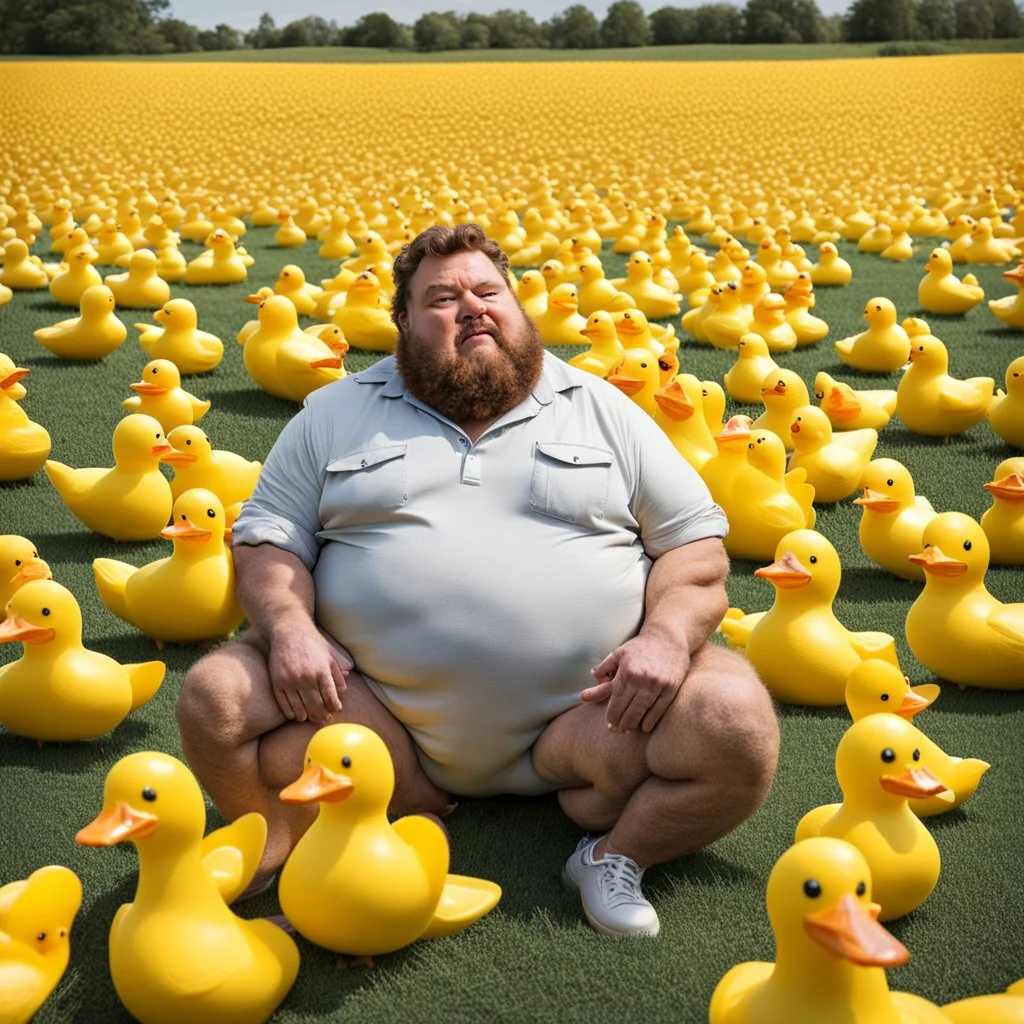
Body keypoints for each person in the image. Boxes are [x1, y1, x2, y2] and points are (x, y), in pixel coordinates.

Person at [176, 223, 779, 939]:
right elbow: (268, 542)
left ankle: (616, 854)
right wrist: (290, 630)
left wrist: (667, 639)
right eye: (442, 298)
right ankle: (281, 841)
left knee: (736, 724)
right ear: (401, 321)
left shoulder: (602, 408)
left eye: (489, 291)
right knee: (214, 697)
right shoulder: (333, 415)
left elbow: (695, 550)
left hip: (588, 723)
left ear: (517, 306)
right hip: (376, 725)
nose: (473, 308)